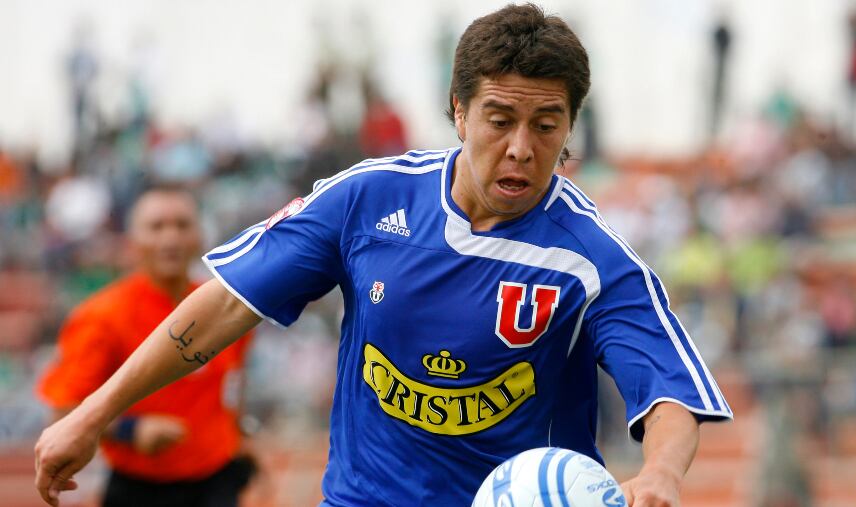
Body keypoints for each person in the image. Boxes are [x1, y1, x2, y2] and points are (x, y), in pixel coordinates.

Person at [35, 5, 732, 506]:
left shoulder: (590, 258)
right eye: (500, 120)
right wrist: (93, 414)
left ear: (571, 125)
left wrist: (663, 473)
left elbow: (668, 389)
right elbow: (224, 305)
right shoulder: (367, 200)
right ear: (458, 111)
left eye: (546, 125)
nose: (521, 147)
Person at [36, 185, 255, 507]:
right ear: (131, 242)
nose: (171, 238)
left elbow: (232, 383)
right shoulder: (101, 316)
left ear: (200, 236)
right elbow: (62, 410)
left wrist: (242, 439)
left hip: (217, 482)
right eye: (156, 227)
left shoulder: (226, 305)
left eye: (182, 225)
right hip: (139, 488)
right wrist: (131, 430)